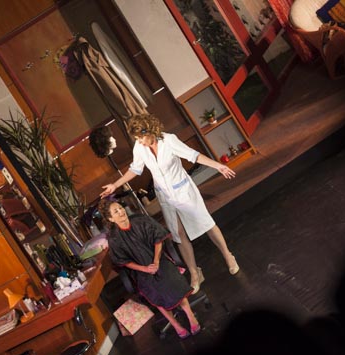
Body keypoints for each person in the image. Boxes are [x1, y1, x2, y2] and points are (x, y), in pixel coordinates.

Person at [100, 114, 240, 293]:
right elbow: (135, 169)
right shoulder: (140, 148)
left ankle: (228, 256)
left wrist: (218, 166)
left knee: (207, 224)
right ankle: (195, 273)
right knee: (178, 234)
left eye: (141, 137)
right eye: (137, 139)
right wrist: (115, 185)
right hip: (165, 196)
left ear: (149, 131)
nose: (139, 142)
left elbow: (194, 156)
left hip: (183, 190)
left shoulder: (169, 140)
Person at [98, 198, 201, 339]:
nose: (121, 212)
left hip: (159, 261)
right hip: (141, 271)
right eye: (116, 211)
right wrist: (144, 269)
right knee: (152, 289)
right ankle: (176, 325)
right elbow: (125, 262)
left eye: (120, 208)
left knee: (170, 280)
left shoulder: (140, 220)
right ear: (111, 219)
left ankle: (190, 316)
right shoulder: (114, 239)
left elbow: (158, 239)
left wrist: (156, 262)